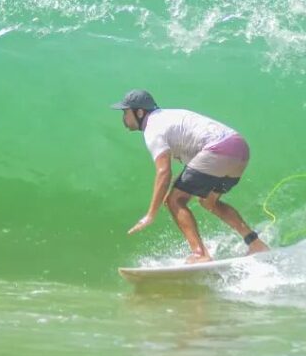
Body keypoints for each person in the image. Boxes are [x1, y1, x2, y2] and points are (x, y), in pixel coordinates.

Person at [113, 89, 270, 263]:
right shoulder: (170, 115)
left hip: (218, 150)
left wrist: (151, 214)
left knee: (174, 200)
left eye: (126, 112)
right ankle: (255, 243)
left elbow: (164, 172)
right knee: (209, 202)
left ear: (140, 112)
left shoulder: (152, 128)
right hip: (240, 149)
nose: (124, 118)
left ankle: (199, 253)